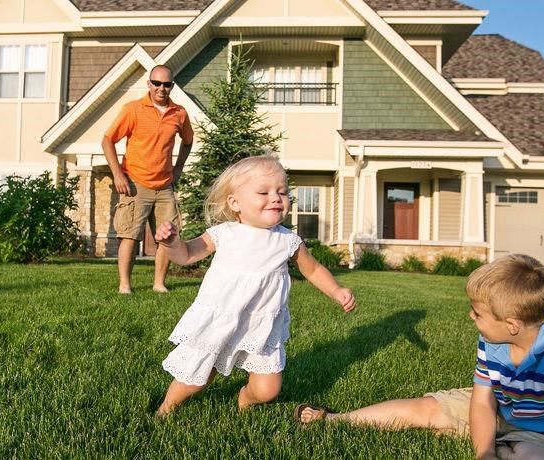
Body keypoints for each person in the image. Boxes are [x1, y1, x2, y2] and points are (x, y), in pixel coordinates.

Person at [295, 254, 544, 460]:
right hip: (500, 408)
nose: (470, 316)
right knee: (423, 408)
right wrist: (485, 453)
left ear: (512, 324)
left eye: (477, 313)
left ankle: (501, 444)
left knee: (532, 456)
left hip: (542, 431)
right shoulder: (492, 338)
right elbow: (481, 401)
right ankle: (336, 418)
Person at [153, 155, 356, 417]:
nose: (276, 198)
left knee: (267, 391)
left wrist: (336, 290)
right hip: (222, 320)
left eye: (282, 192)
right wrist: (171, 243)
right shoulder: (224, 233)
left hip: (260, 326)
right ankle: (166, 408)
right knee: (196, 379)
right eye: (263, 192)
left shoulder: (288, 241)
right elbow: (186, 255)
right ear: (235, 203)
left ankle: (245, 400)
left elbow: (314, 269)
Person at [102, 64, 194, 294]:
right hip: (136, 182)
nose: (161, 88)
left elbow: (188, 141)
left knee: (167, 236)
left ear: (171, 86)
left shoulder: (179, 113)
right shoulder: (133, 109)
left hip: (165, 186)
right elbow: (107, 140)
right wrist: (117, 173)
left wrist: (179, 167)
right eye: (157, 83)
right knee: (130, 235)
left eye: (166, 84)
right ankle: (124, 285)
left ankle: (159, 284)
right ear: (149, 84)